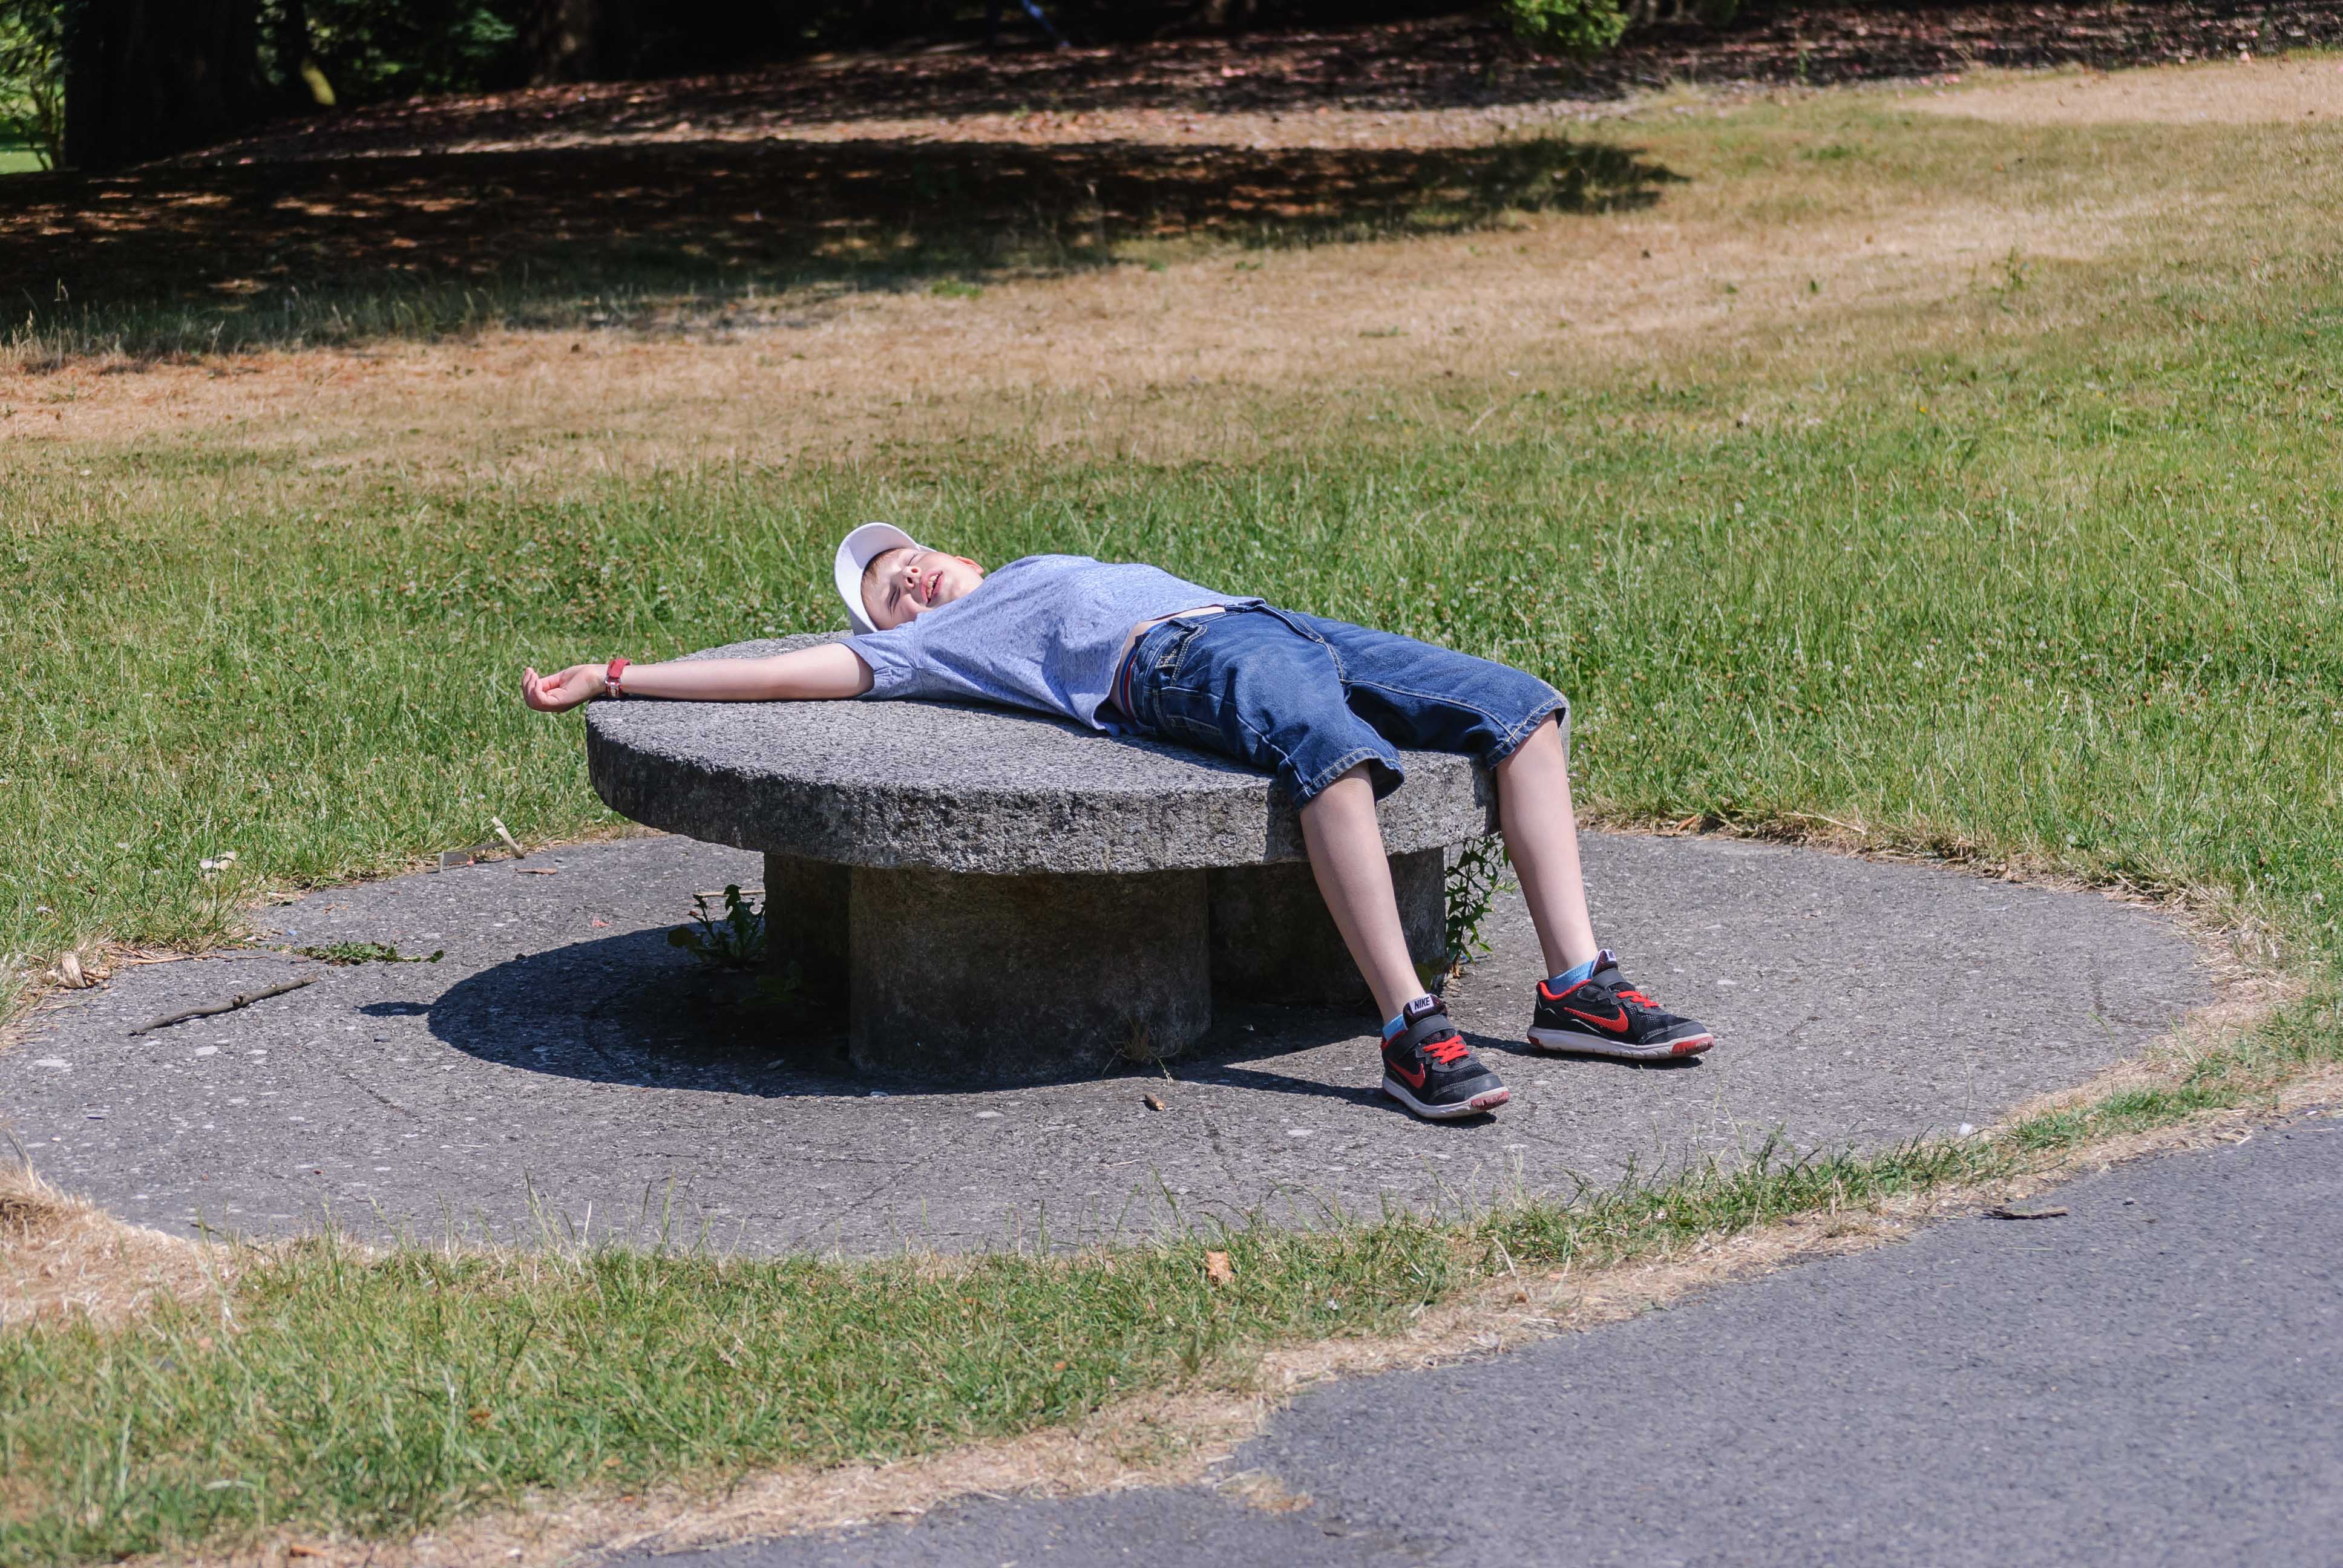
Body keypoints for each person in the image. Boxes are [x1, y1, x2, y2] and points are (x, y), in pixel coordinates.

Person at [522, 523, 1714, 1120]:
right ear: (887, 632)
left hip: (1267, 620)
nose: (911, 578)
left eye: (914, 558)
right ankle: (1412, 1029)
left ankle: (1577, 986)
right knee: (1332, 757)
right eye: (889, 592)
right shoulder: (934, 650)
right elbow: (787, 673)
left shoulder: (1032, 567)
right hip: (1179, 663)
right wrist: (618, 676)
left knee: (1518, 708)